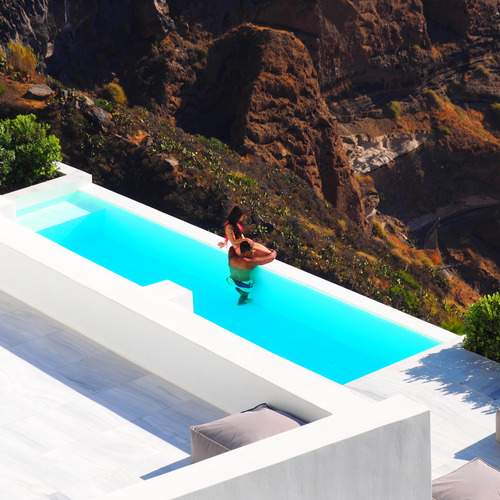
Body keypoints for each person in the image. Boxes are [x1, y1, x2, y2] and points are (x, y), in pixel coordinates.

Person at [228, 241, 277, 305]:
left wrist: (243, 242)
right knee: (255, 284)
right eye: (251, 250)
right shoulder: (249, 262)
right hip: (243, 285)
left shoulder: (231, 255)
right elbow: (272, 257)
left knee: (245, 280)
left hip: (231, 280)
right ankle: (242, 301)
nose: (254, 251)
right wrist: (273, 251)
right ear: (246, 252)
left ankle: (239, 290)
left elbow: (232, 246)